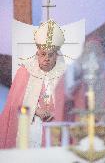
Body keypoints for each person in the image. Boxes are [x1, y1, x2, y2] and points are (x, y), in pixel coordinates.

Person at [0, 19, 66, 149]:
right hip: (29, 129)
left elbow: (69, 104)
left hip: (54, 130)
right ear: (37, 53)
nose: (46, 58)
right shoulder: (25, 71)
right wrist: (36, 110)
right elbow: (15, 104)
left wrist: (55, 112)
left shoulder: (64, 74)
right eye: (43, 54)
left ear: (56, 55)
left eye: (50, 55)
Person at [55, 37, 105, 123]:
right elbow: (61, 102)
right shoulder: (75, 82)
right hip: (79, 134)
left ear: (104, 55)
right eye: (88, 53)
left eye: (97, 53)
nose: (92, 58)